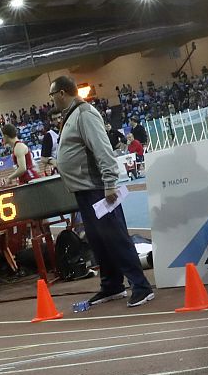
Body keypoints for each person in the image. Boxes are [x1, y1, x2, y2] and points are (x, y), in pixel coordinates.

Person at [48, 76, 154, 308]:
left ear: (62, 93)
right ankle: (111, 285)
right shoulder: (72, 116)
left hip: (98, 189)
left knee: (115, 237)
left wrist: (109, 183)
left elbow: (102, 149)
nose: (51, 99)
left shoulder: (85, 113)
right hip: (85, 190)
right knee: (98, 241)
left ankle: (141, 286)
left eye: (52, 94)